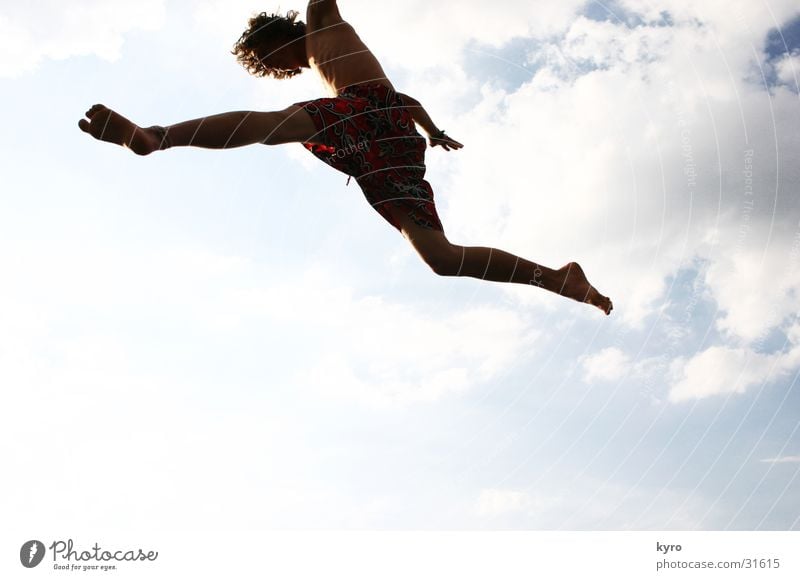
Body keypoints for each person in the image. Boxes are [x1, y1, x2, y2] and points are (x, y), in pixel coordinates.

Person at [78, 1, 613, 315]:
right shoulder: (324, 60)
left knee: (276, 124)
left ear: (274, 42)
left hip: (364, 114)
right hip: (387, 138)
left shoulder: (322, 25)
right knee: (441, 259)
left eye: (268, 59)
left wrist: (425, 127)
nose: (278, 67)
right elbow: (406, 101)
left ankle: (155, 136)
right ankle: (557, 278)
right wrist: (433, 130)